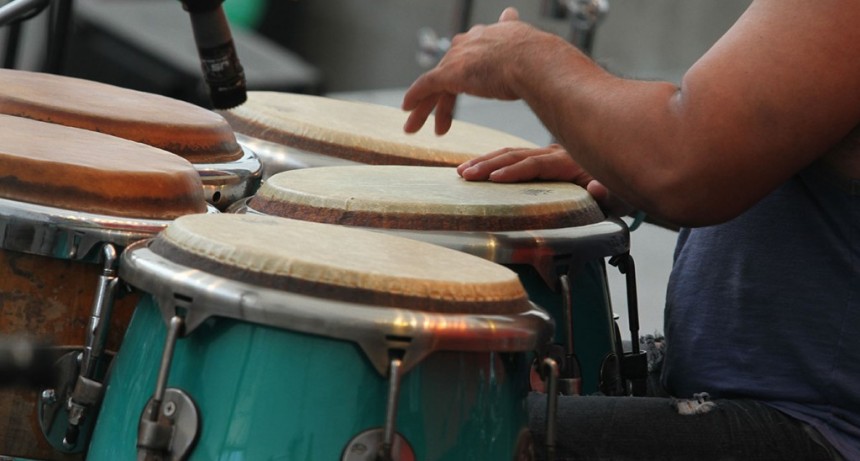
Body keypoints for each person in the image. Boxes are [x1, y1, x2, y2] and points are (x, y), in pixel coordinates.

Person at [402, 3, 859, 460]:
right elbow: (750, 174)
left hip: (818, 429)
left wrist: (524, 56)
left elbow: (683, 164)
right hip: (775, 401)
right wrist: (624, 164)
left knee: (439, 424)